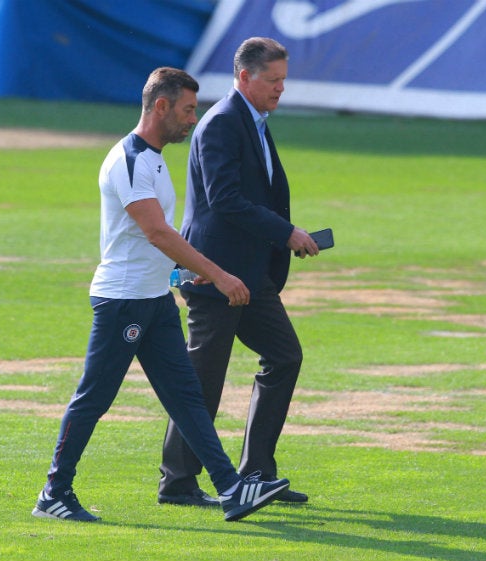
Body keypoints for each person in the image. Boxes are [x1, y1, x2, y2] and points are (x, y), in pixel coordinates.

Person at [32, 67, 290, 523]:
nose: (193, 119)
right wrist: (217, 273)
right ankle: (54, 491)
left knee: (187, 397)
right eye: (188, 110)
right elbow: (155, 232)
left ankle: (231, 488)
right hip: (124, 301)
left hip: (153, 299)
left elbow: (149, 240)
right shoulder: (129, 160)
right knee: (94, 397)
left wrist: (179, 278)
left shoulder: (153, 158)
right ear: (162, 106)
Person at [158, 38, 319, 507]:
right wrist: (286, 232)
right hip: (213, 273)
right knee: (202, 380)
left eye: (284, 80)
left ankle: (255, 472)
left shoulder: (253, 121)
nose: (281, 88)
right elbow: (225, 199)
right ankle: (177, 483)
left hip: (250, 274)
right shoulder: (223, 123)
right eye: (273, 80)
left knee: (285, 356)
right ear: (245, 77)